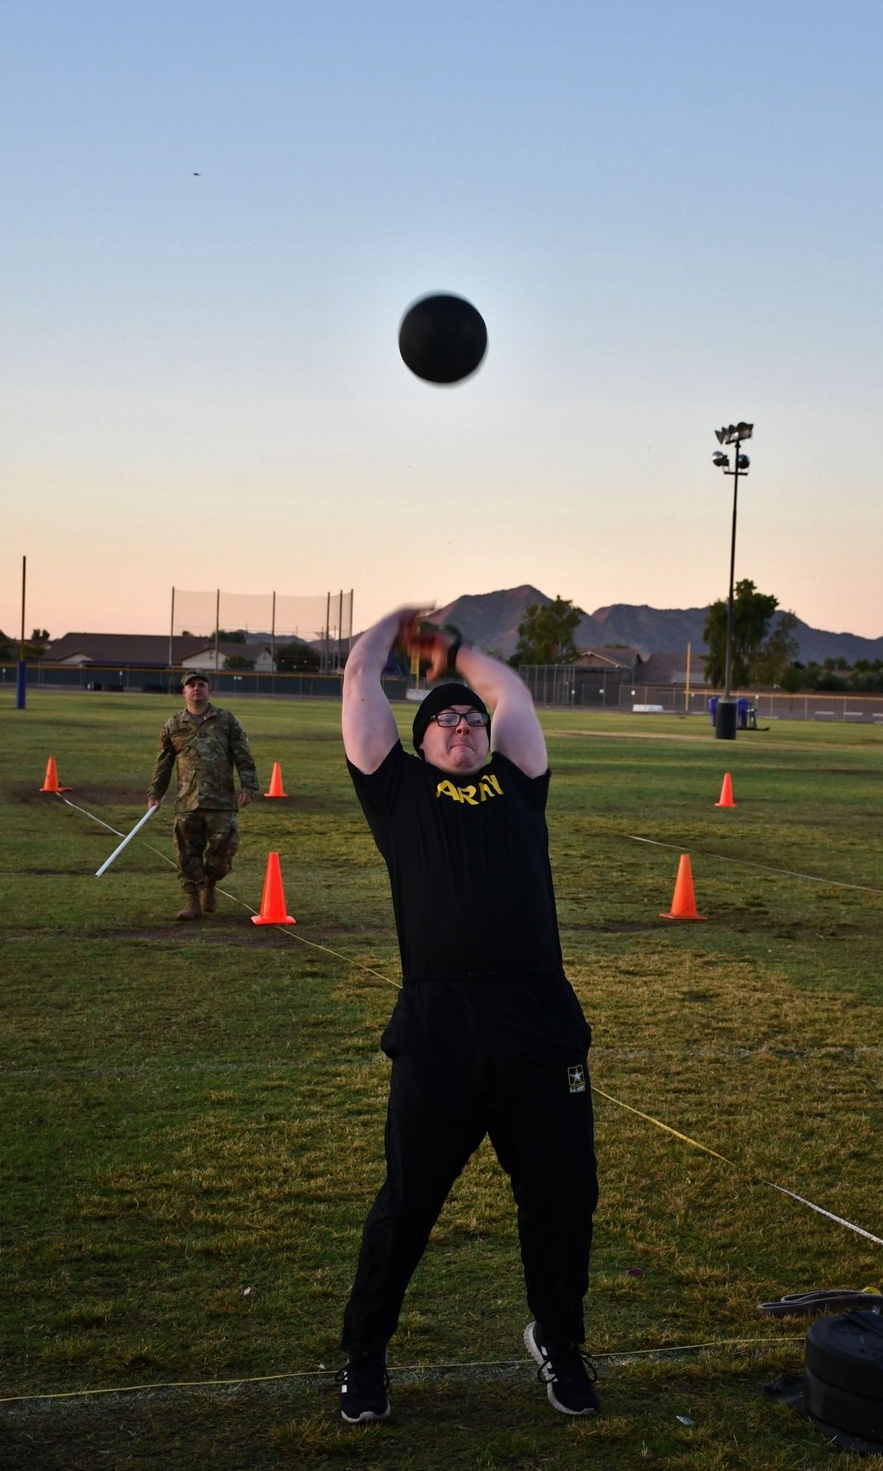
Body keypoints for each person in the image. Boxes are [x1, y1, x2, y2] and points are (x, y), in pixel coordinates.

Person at [335, 610, 599, 1424]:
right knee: (409, 1205)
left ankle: (558, 1338)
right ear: (419, 741)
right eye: (443, 719)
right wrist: (394, 624)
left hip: (539, 1023)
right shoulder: (399, 789)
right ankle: (366, 1356)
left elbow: (509, 693)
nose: (461, 724)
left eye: (470, 719)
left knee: (563, 1196)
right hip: (441, 1028)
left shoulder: (520, 782)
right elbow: (357, 679)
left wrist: (454, 655)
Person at [148, 669, 260, 920]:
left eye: (201, 684)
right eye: (191, 685)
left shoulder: (226, 720)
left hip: (221, 800)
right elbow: (163, 762)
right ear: (184, 692)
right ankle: (192, 902)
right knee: (187, 854)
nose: (197, 688)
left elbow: (243, 755)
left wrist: (249, 787)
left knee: (223, 853)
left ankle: (210, 884)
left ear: (209, 691)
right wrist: (156, 792)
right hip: (187, 801)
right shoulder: (173, 725)